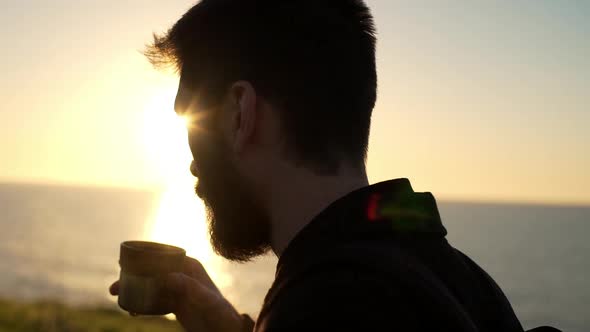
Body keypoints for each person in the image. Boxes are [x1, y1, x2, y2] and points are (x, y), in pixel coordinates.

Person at [108, 0, 540, 331]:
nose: (191, 161)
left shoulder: (323, 307)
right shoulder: (467, 283)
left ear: (241, 113)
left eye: (189, 115)